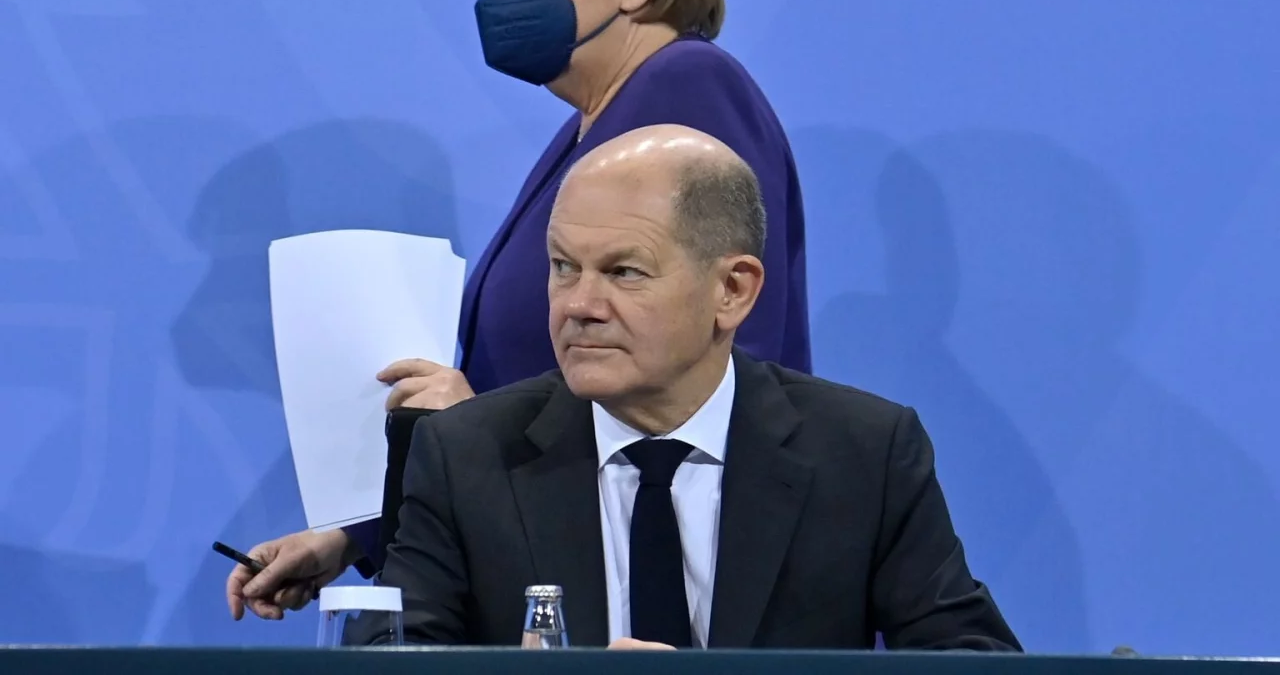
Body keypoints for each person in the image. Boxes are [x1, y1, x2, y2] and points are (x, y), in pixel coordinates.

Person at [227, 0, 811, 622]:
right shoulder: (591, 127)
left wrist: (477, 430)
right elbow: (524, 383)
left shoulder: (686, 90)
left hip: (672, 585)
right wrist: (353, 537)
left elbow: (710, 372)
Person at [365, 125, 1020, 649]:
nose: (579, 305)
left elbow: (971, 661)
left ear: (732, 290)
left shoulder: (863, 453)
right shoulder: (466, 454)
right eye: (563, 267)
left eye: (624, 272)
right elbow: (386, 665)